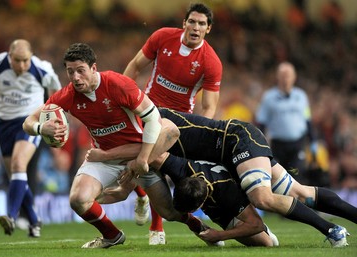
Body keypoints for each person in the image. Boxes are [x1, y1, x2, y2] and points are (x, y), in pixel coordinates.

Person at [22, 43, 223, 249]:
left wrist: (142, 160)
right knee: (78, 199)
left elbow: (154, 120)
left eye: (80, 71)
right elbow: (28, 121)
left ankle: (197, 225)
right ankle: (112, 235)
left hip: (138, 152)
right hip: (103, 156)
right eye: (70, 72)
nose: (75, 78)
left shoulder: (117, 84)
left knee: (169, 212)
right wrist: (40, 128)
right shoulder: (68, 95)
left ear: (93, 68)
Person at [155, 108, 354, 247]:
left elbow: (157, 147)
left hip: (236, 141)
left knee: (262, 198)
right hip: (233, 155)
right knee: (300, 193)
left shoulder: (158, 123)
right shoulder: (152, 132)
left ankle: (331, 230)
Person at [123, 2, 223, 244]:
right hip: (148, 109)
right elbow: (135, 66)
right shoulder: (162, 37)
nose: (196, 27)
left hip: (179, 122)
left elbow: (209, 106)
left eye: (201, 24)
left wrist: (199, 135)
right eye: (192, 21)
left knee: (159, 168)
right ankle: (146, 205)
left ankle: (159, 226)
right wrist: (123, 100)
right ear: (184, 23)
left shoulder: (211, 62)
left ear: (208, 29)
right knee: (132, 158)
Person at [0, 39, 62, 237]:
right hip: (4, 126)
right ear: (10, 56)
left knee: (18, 165)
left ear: (31, 56)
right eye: (18, 60)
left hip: (30, 123)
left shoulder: (41, 68)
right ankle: (34, 221)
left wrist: (52, 114)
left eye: (26, 60)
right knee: (16, 176)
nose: (23, 65)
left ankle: (11, 216)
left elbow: (57, 91)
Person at [87, 149, 279, 247]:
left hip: (230, 205)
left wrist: (220, 235)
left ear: (200, 205)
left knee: (268, 243)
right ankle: (191, 223)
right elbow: (147, 155)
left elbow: (256, 225)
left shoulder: (228, 194)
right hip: (208, 194)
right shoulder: (179, 167)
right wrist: (129, 183)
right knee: (168, 212)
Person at [255, 62, 318, 185]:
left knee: (296, 176)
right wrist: (258, 145)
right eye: (282, 75)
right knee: (279, 180)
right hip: (278, 146)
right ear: (277, 77)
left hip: (298, 144)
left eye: (288, 75)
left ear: (294, 77)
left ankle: (297, 203)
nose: (285, 79)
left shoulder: (301, 96)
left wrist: (313, 141)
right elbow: (261, 123)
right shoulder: (268, 97)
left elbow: (307, 120)